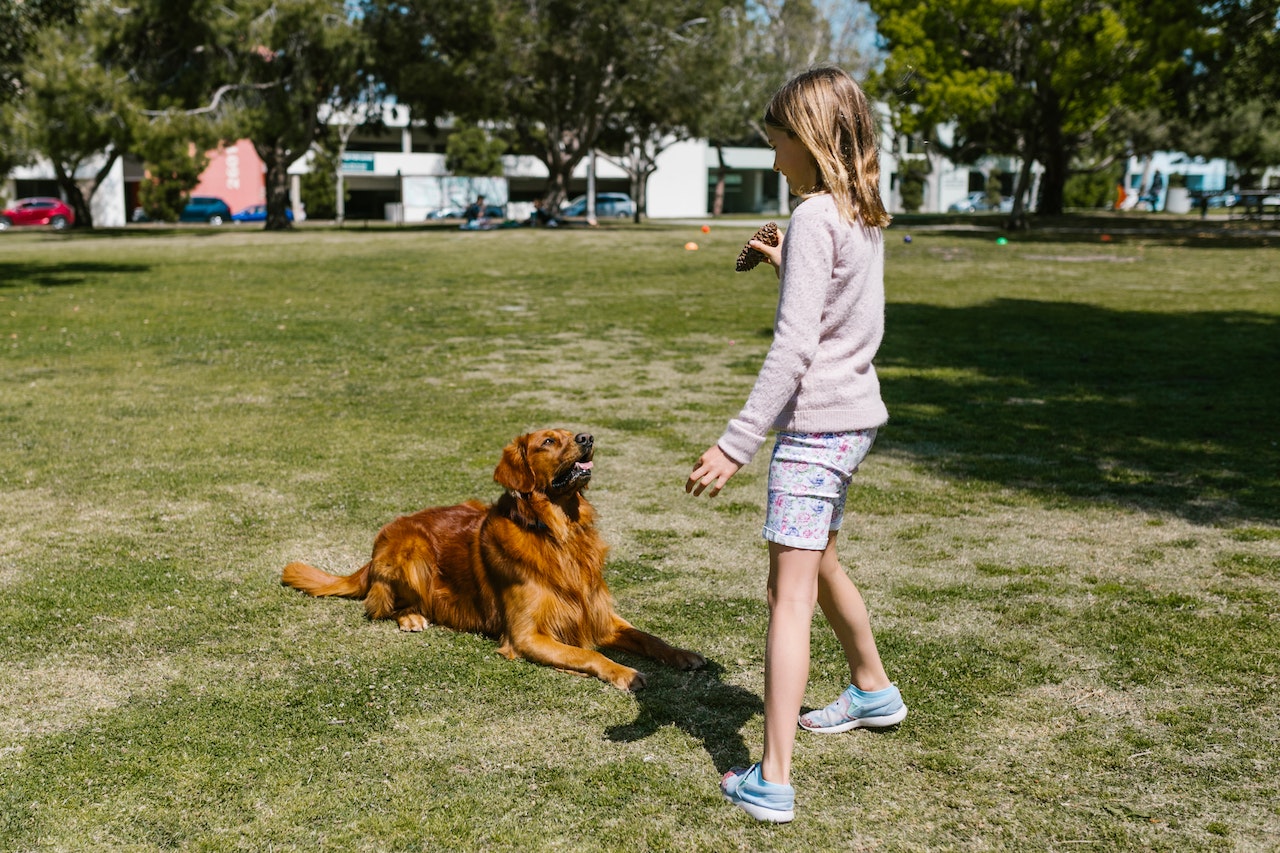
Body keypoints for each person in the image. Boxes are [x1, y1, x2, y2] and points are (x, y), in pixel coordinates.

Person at [685, 66, 906, 824]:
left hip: (814, 429)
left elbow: (794, 348)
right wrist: (786, 265)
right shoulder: (859, 210)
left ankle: (772, 779)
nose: (773, 155)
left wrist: (735, 443)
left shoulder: (815, 216)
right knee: (823, 558)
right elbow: (837, 307)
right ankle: (873, 688)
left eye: (778, 141)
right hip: (853, 422)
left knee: (788, 594)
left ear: (810, 140)